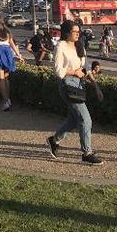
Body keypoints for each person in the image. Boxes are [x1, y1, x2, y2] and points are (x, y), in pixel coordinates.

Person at [47, 20, 103, 165]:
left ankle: (54, 140)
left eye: (79, 31)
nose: (78, 34)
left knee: (73, 120)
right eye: (75, 32)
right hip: (67, 86)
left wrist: (95, 85)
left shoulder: (80, 46)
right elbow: (58, 70)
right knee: (86, 119)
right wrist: (74, 72)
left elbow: (86, 67)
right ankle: (87, 152)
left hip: (79, 85)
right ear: (67, 33)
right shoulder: (61, 46)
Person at [0, 19, 22, 112]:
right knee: (6, 78)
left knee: (0, 79)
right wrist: (18, 55)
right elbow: (12, 43)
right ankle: (8, 99)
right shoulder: (7, 31)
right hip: (8, 51)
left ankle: (5, 101)